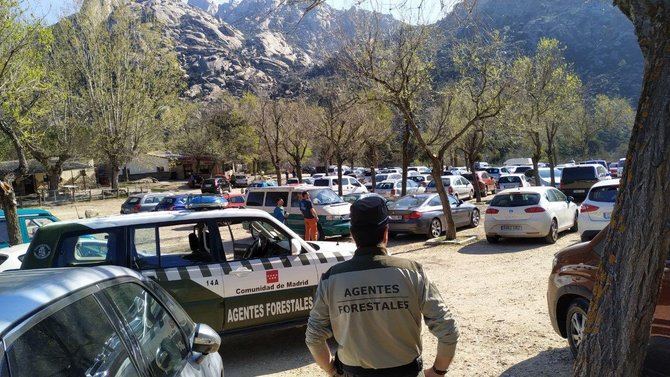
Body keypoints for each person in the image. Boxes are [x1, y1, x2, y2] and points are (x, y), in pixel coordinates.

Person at [305, 196, 458, 377]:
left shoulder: (332, 278)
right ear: (386, 232)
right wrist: (438, 371)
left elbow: (314, 337)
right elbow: (448, 330)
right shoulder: (413, 272)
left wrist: (331, 370)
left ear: (353, 235)